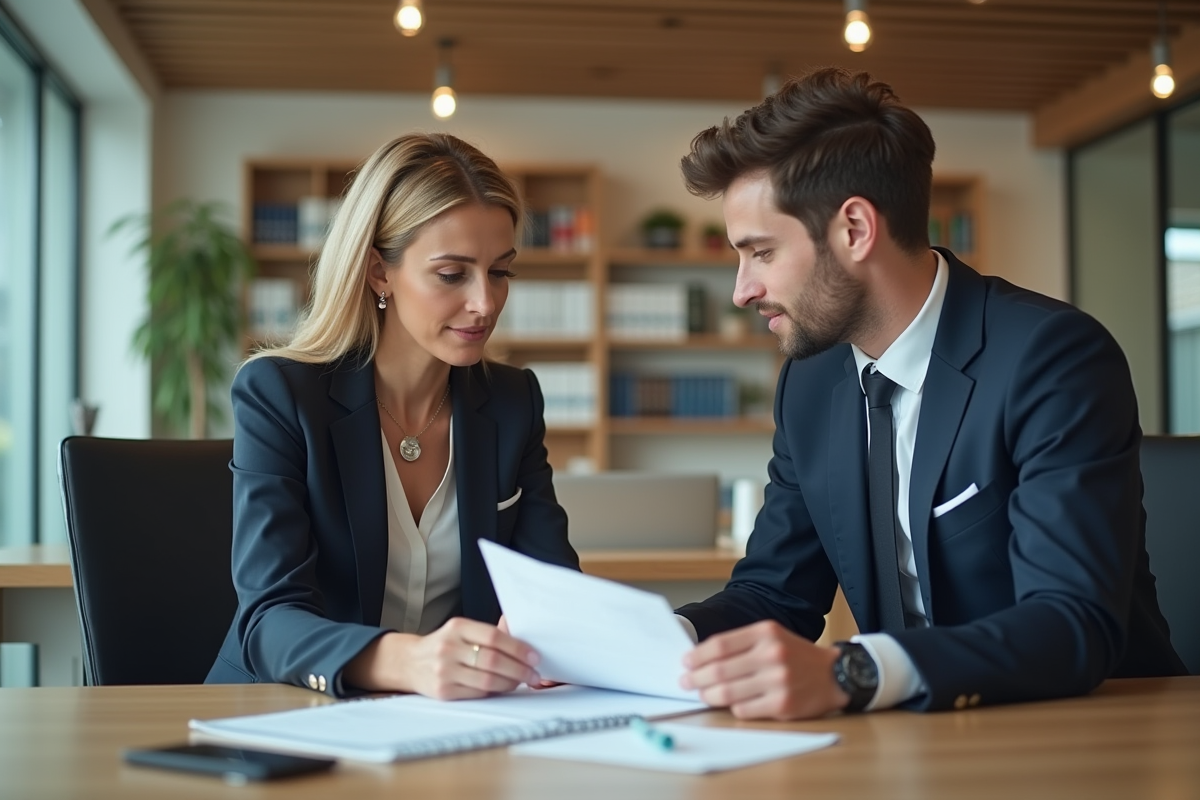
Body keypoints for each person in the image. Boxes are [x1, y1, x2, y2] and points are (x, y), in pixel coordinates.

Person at [674, 68, 1187, 719]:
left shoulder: (1052, 358)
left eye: (762, 253)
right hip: (910, 740)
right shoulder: (808, 384)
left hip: (1091, 730)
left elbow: (1071, 622)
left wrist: (853, 670)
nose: (742, 290)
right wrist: (665, 640)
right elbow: (774, 595)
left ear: (855, 229)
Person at [206, 133, 579, 699]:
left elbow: (554, 591)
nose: (486, 302)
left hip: (452, 724)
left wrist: (548, 635)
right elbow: (269, 619)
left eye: (500, 272)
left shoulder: (512, 401)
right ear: (380, 272)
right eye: (453, 275)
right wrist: (409, 663)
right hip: (284, 711)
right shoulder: (279, 393)